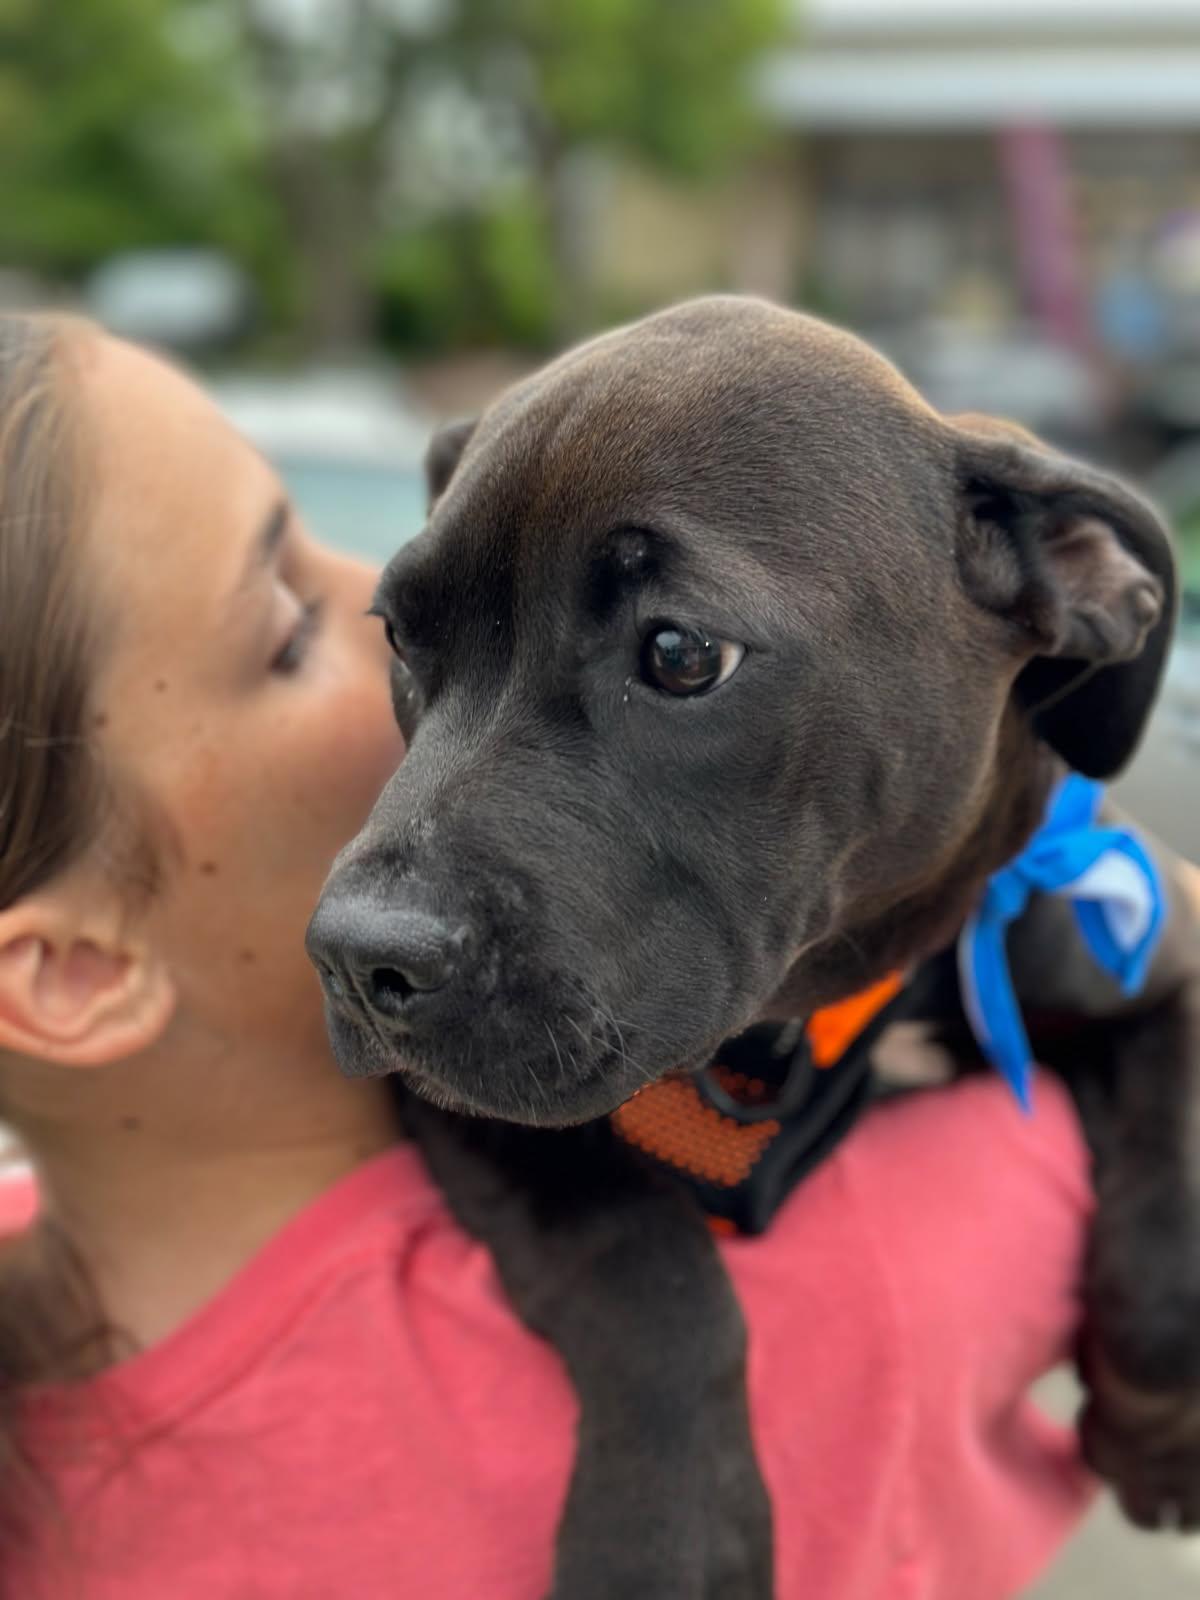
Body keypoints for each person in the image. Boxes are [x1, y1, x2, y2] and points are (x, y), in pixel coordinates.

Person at [0, 311, 1114, 1598]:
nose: (366, 601)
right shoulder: (882, 1265)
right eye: (291, 627)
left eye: (390, 615)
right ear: (66, 972)